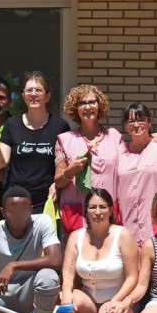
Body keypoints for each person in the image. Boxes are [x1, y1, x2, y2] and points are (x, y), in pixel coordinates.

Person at [60, 188, 139, 313]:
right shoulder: (76, 236)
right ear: (86, 211)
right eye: (92, 207)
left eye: (102, 207)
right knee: (61, 298)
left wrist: (116, 301)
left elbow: (133, 277)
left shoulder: (123, 235)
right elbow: (68, 272)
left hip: (118, 300)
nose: (97, 212)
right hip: (89, 301)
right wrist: (67, 291)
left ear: (110, 210)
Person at [0, 71, 70, 213]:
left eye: (38, 90)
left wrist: (58, 185)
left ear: (47, 96)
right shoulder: (11, 124)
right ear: (23, 96)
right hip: (16, 202)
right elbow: (0, 163)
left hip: (47, 202)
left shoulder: (60, 126)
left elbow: (65, 164)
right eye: (29, 90)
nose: (33, 94)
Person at [54, 84, 123, 234]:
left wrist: (154, 137)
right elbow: (58, 181)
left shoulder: (115, 137)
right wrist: (70, 171)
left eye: (92, 102)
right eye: (82, 103)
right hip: (78, 214)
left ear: (100, 106)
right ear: (75, 109)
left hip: (108, 213)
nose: (87, 107)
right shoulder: (64, 140)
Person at [116, 103, 157, 247]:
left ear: (150, 122)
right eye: (131, 121)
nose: (136, 124)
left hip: (156, 223)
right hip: (128, 224)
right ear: (125, 125)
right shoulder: (119, 152)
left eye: (141, 120)